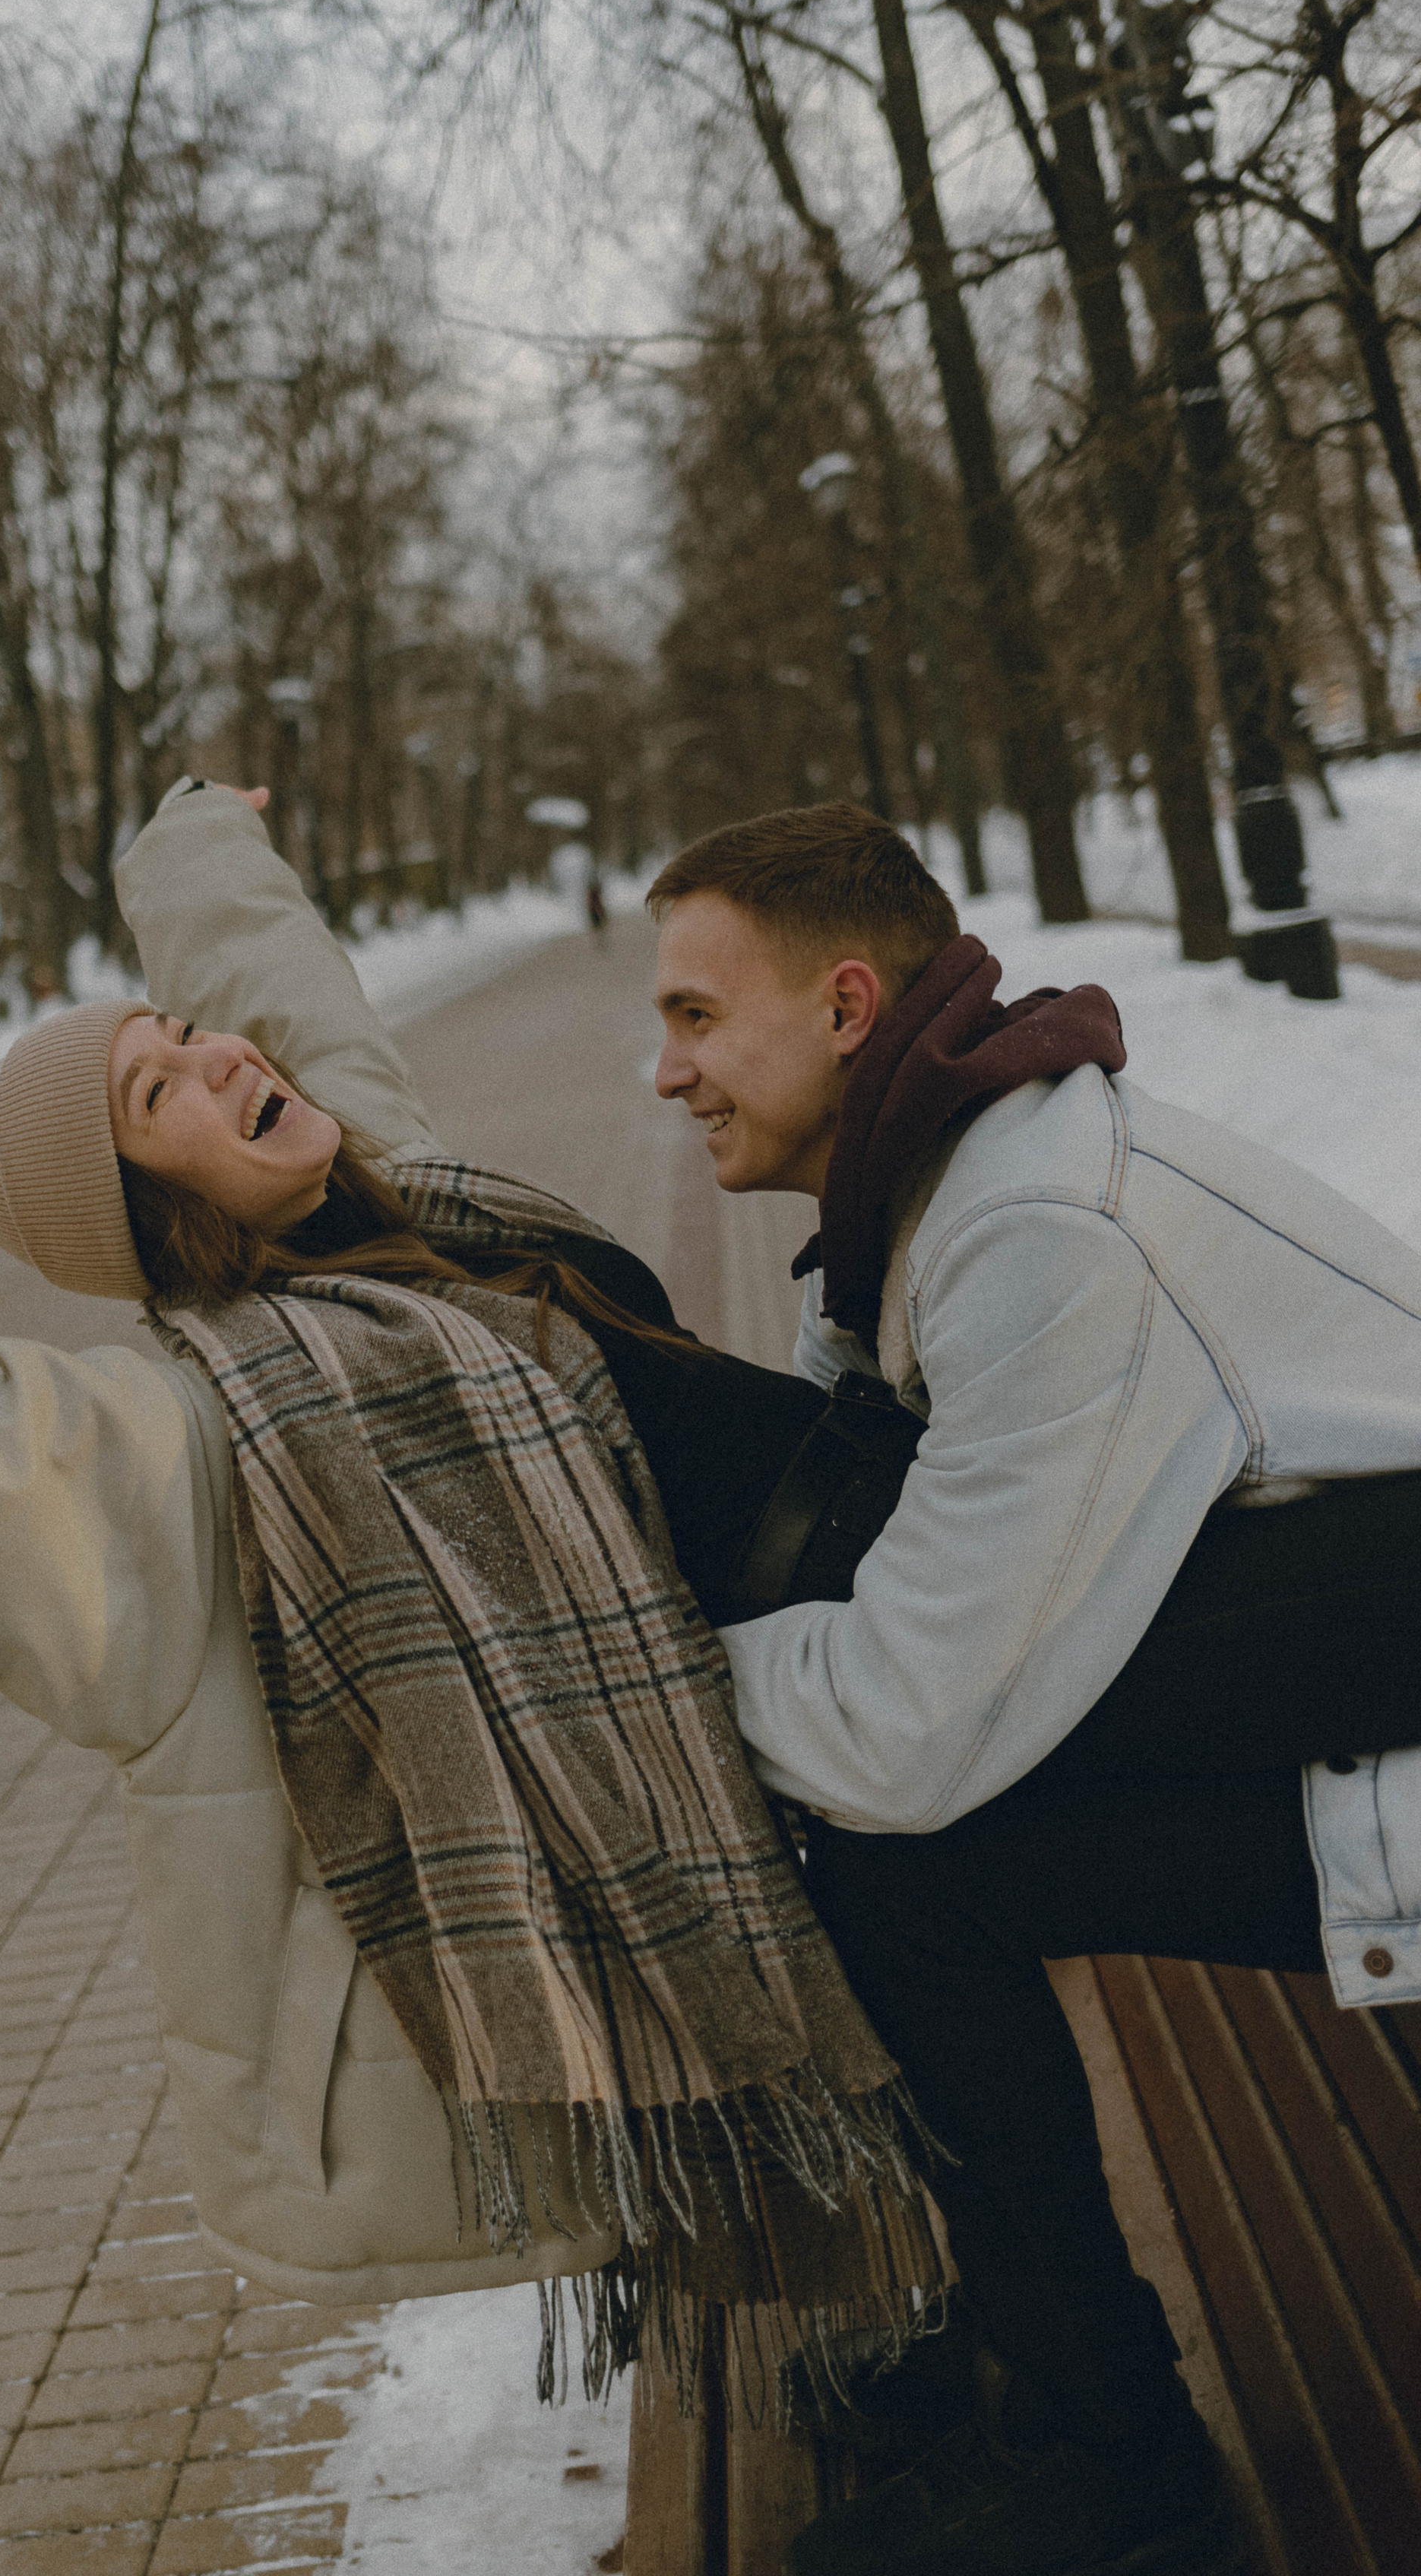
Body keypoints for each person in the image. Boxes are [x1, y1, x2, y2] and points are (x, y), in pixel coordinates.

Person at [0, 780, 953, 2411]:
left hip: (912, 1633)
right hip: (872, 1743)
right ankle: (1014, 2397)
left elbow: (282, 1004)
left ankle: (1021, 2387)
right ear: (137, 1210)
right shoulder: (181, 1449)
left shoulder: (412, 1213)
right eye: (155, 1093)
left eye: (187, 1038)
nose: (223, 1065)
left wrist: (193, 845)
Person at [645, 799, 1421, 2576]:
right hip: (1332, 1688)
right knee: (898, 1850)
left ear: (845, 1007)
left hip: (1378, 1730)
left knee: (900, 1847)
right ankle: (1051, 2349)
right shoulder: (935, 1198)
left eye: (695, 1015)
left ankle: (1116, 2461)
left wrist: (641, 1695)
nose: (661, 1072)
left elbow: (907, 1727)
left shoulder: (1032, 1232)